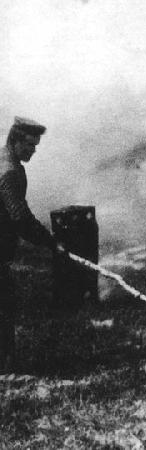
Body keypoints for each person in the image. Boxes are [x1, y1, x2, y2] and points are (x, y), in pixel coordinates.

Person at [0, 117, 63, 374]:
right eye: (29, 145)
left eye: (35, 146)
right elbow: (20, 217)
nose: (33, 151)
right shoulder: (9, 171)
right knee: (4, 306)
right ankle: (5, 370)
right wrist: (50, 242)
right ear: (15, 141)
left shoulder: (5, 160)